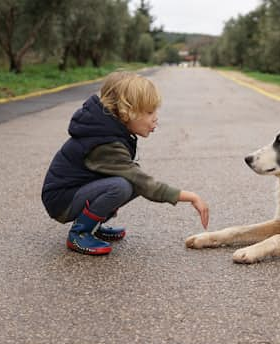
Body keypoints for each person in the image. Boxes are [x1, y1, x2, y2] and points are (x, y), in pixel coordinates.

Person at [41, 71, 209, 255]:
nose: (156, 118)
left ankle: (93, 226)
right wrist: (190, 196)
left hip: (75, 192)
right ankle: (80, 233)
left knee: (132, 182)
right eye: (149, 112)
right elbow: (144, 183)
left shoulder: (109, 132)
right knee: (122, 185)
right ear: (126, 112)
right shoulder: (104, 143)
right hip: (62, 201)